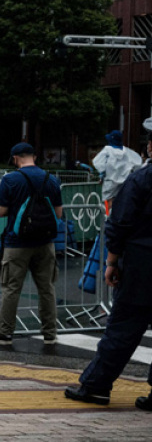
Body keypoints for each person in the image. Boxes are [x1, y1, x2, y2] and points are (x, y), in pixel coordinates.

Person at [65, 162, 152, 410]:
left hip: (141, 265)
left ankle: (97, 386)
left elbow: (120, 222)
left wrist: (111, 261)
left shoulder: (142, 179)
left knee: (123, 327)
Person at [0, 142, 63, 346]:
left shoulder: (10, 179)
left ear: (15, 159)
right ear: (34, 157)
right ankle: (50, 333)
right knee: (47, 288)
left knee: (11, 289)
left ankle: (5, 334)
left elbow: (1, 212)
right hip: (45, 243)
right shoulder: (51, 179)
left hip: (17, 243)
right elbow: (58, 213)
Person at [93, 130, 142, 207]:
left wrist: (102, 174)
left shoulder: (107, 150)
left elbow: (98, 162)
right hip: (124, 182)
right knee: (121, 201)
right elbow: (138, 163)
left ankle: (108, 214)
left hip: (110, 182)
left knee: (107, 201)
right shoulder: (127, 151)